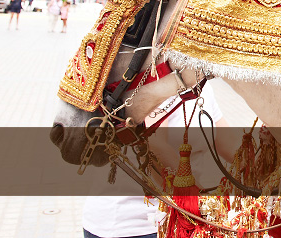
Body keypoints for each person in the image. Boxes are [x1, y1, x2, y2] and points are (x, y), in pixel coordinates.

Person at [82, 82, 230, 238]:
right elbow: (156, 148)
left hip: (176, 217)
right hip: (134, 224)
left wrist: (255, 167)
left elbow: (227, 141)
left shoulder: (201, 83)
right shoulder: (158, 77)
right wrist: (204, 202)